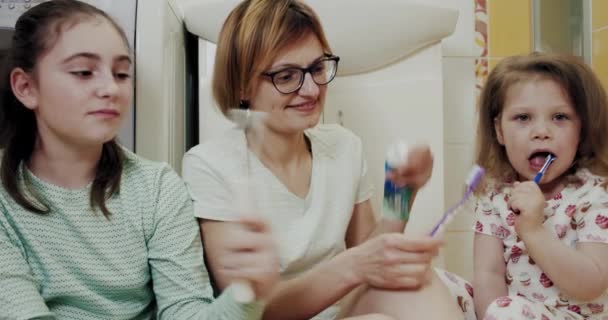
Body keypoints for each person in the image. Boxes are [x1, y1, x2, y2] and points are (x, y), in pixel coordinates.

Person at [182, 0, 463, 319]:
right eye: (287, 76)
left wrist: (402, 195)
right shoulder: (210, 166)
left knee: (417, 280)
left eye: (317, 69)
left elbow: (371, 257)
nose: (312, 89)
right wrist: (354, 265)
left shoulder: (345, 147)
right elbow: (254, 308)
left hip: (342, 311)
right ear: (243, 85)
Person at [0, 1, 279, 318]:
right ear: (25, 87)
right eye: (83, 72)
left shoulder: (158, 188)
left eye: (121, 73)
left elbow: (185, 312)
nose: (110, 88)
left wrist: (248, 293)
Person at [471, 53, 608, 319]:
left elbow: (592, 284)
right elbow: (488, 275)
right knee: (436, 283)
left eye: (559, 117)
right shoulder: (495, 197)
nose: (541, 131)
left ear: (582, 130)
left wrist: (533, 231)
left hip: (574, 315)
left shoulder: (595, 196)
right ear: (499, 131)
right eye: (523, 118)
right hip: (509, 313)